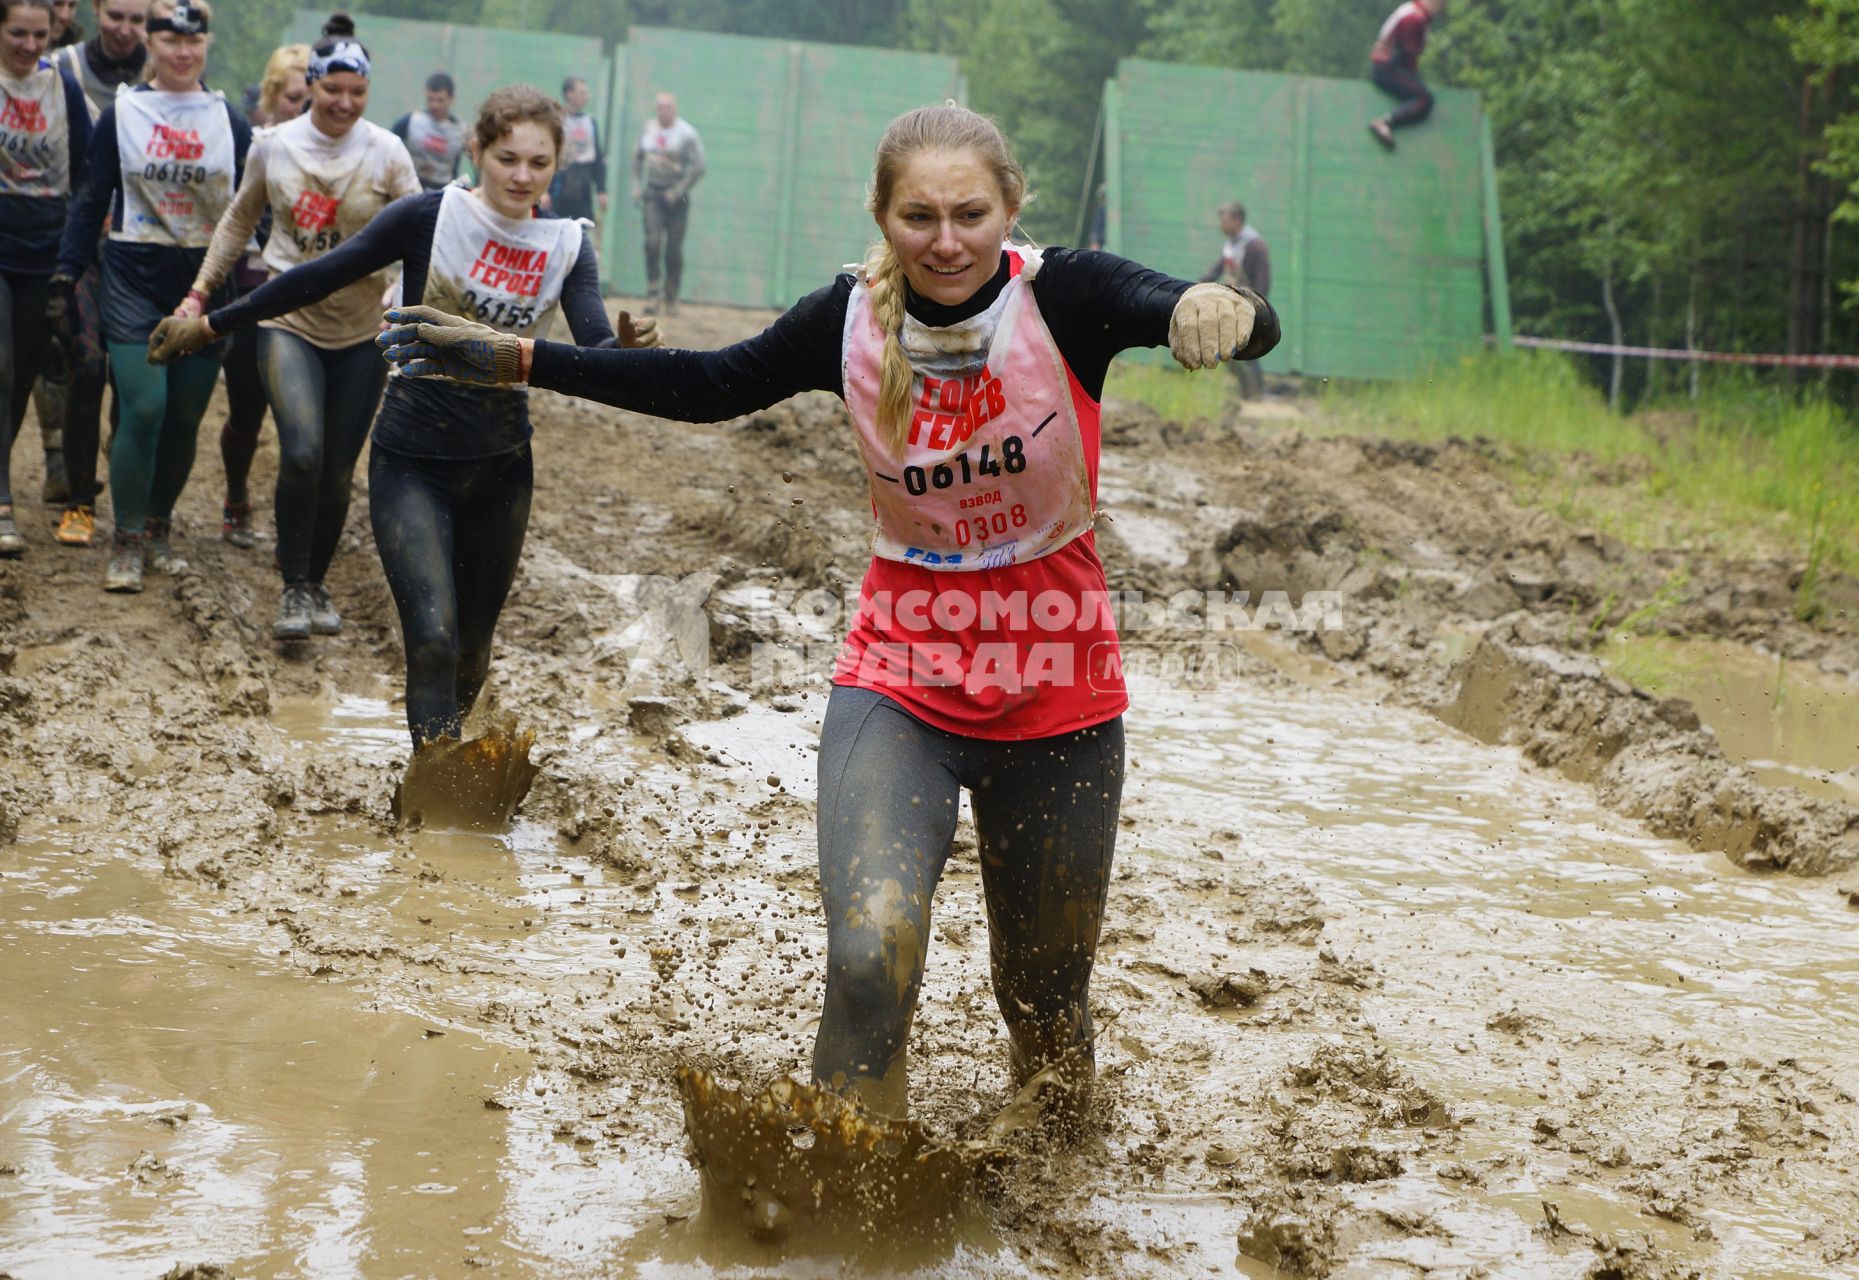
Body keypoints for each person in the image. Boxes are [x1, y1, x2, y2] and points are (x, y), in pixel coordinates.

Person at [378, 104, 1278, 1124]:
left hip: (1060, 695)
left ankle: (1058, 1166)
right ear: (883, 217)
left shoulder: (1065, 295)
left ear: (1009, 209)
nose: (946, 241)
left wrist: (1219, 304)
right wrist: (520, 358)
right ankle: (840, 1202)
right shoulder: (846, 319)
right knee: (866, 953)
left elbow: (1205, 306)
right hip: (900, 682)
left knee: (1043, 1003)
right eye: (919, 216)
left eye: (969, 214)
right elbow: (707, 385)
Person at [151, 86, 654, 731]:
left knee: (472, 652)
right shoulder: (429, 216)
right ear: (477, 150)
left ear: (558, 165)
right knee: (435, 639)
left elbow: (595, 350)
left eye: (539, 163)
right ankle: (434, 795)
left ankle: (440, 768)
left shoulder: (567, 245)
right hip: (412, 459)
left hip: (503, 466)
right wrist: (211, 324)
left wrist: (628, 352)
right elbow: (320, 274)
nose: (522, 176)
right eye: (507, 159)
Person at [168, 16, 419, 639]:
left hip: (363, 328)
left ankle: (315, 584)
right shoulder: (274, 145)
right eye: (332, 89)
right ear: (311, 84)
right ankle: (290, 588)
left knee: (336, 469)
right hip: (288, 321)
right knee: (302, 453)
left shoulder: (387, 152)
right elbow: (235, 223)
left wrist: (402, 289)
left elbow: (425, 235)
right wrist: (198, 296)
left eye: (356, 93)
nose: (343, 103)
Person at [51, 0, 250, 590]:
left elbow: (252, 205)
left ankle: (159, 529)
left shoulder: (230, 120)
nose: (183, 52)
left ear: (207, 45)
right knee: (144, 407)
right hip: (133, 273)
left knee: (185, 415)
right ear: (152, 46)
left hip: (206, 281)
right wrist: (66, 273)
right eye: (170, 41)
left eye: (194, 42)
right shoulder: (123, 114)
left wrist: (249, 253)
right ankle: (127, 539)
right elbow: (91, 197)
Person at [43, 0, 144, 543]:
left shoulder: (167, 75)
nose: (125, 30)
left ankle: (126, 479)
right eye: (115, 16)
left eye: (137, 19)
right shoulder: (63, 69)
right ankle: (77, 496)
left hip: (139, 250)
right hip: (76, 240)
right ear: (97, 11)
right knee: (84, 367)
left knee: (131, 380)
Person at [0, 0, 91, 556]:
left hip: (44, 252)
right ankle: (3, 502)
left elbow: (86, 167)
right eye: (16, 33)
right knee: (1, 365)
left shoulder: (63, 90)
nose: (29, 45)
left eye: (40, 34)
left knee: (21, 378)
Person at [211, 39, 306, 550]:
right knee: (248, 410)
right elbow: (230, 218)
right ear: (272, 97)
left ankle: (298, 520)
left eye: (311, 98)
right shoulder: (253, 145)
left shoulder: (350, 151)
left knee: (304, 425)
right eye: (294, 98)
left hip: (316, 303)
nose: (304, 109)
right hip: (252, 294)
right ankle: (236, 493)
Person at [631, 90, 701, 313]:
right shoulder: (648, 129)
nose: (664, 111)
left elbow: (698, 167)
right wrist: (636, 185)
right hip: (653, 193)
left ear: (675, 109)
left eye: (668, 107)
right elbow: (637, 157)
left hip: (676, 197)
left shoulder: (686, 133)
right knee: (652, 242)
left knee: (673, 248)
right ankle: (653, 293)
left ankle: (671, 296)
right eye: (660, 107)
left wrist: (678, 189)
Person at [1200, 201, 1270, 399]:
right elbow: (1218, 269)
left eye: (1225, 219)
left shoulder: (1255, 245)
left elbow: (1263, 280)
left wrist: (1258, 307)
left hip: (1249, 305)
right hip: (1233, 303)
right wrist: (1199, 284)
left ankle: (1256, 394)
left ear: (1237, 220)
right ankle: (1247, 392)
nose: (1222, 223)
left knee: (1247, 350)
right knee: (1232, 349)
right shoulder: (1231, 243)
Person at [1368, 0, 1444, 150]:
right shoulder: (1414, 18)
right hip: (1387, 68)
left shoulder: (1415, 12)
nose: (1442, 6)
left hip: (1389, 66)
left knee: (1422, 92)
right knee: (1424, 98)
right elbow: (1408, 55)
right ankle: (1385, 122)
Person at [547, 74, 605, 226]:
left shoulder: (590, 122)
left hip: (583, 183)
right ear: (569, 94)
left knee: (581, 228)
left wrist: (601, 190)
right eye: (582, 92)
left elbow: (598, 158)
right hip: (560, 182)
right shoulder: (557, 120)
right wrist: (545, 191)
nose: (586, 96)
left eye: (586, 92)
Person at [392, 70, 463, 192]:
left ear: (451, 99)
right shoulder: (412, 121)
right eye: (430, 99)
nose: (434, 105)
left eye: (440, 100)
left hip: (443, 190)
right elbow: (390, 143)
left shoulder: (460, 131)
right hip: (411, 185)